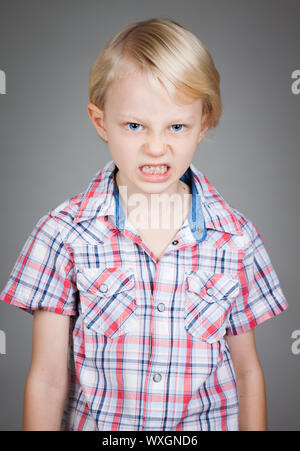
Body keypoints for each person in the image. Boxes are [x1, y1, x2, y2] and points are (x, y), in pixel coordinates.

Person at [0, 18, 288, 431]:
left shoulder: (236, 238)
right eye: (135, 126)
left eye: (176, 126)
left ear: (202, 124)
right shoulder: (62, 234)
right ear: (101, 122)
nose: (156, 146)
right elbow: (47, 381)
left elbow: (247, 373)